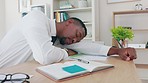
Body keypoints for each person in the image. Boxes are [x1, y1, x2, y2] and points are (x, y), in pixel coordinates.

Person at [0, 10, 137, 68]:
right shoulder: (36, 18)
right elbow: (45, 56)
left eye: (77, 41)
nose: (74, 41)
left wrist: (119, 51)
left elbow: (86, 47)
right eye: (77, 35)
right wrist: (66, 52)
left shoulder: (58, 39)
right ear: (69, 22)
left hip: (19, 74)